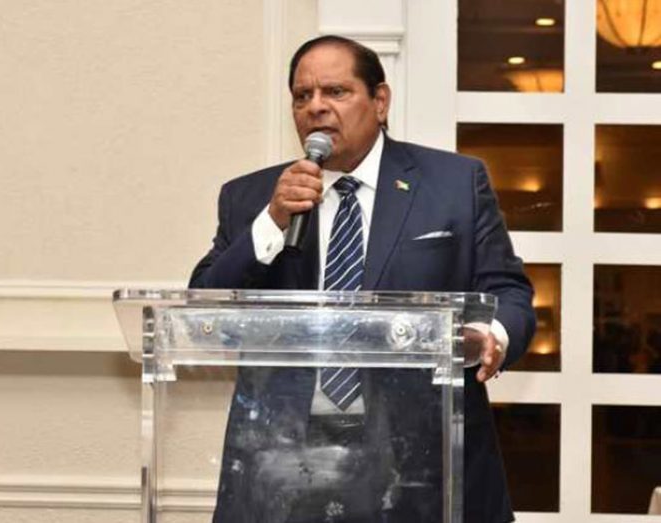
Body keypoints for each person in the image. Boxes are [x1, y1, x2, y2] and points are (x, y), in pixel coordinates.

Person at [190, 35, 535, 523]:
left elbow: (509, 293)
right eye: (302, 96)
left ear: (380, 101)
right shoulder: (251, 198)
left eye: (335, 91)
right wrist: (271, 222)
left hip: (421, 461)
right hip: (285, 463)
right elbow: (202, 307)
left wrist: (491, 337)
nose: (316, 108)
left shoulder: (454, 184)